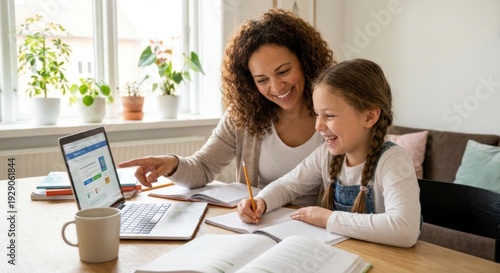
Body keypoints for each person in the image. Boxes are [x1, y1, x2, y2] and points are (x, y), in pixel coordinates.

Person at [118, 9, 336, 206]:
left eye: (283, 71)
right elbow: (202, 168)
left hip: (320, 231)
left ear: (305, 62)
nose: (276, 87)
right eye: (262, 80)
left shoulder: (338, 111)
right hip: (262, 226)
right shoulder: (244, 115)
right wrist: (172, 164)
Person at [237, 59, 421, 247]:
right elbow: (288, 186)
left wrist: (329, 219)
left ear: (369, 116)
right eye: (317, 114)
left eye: (330, 115)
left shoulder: (393, 161)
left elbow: (404, 230)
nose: (318, 126)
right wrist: (261, 201)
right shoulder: (326, 155)